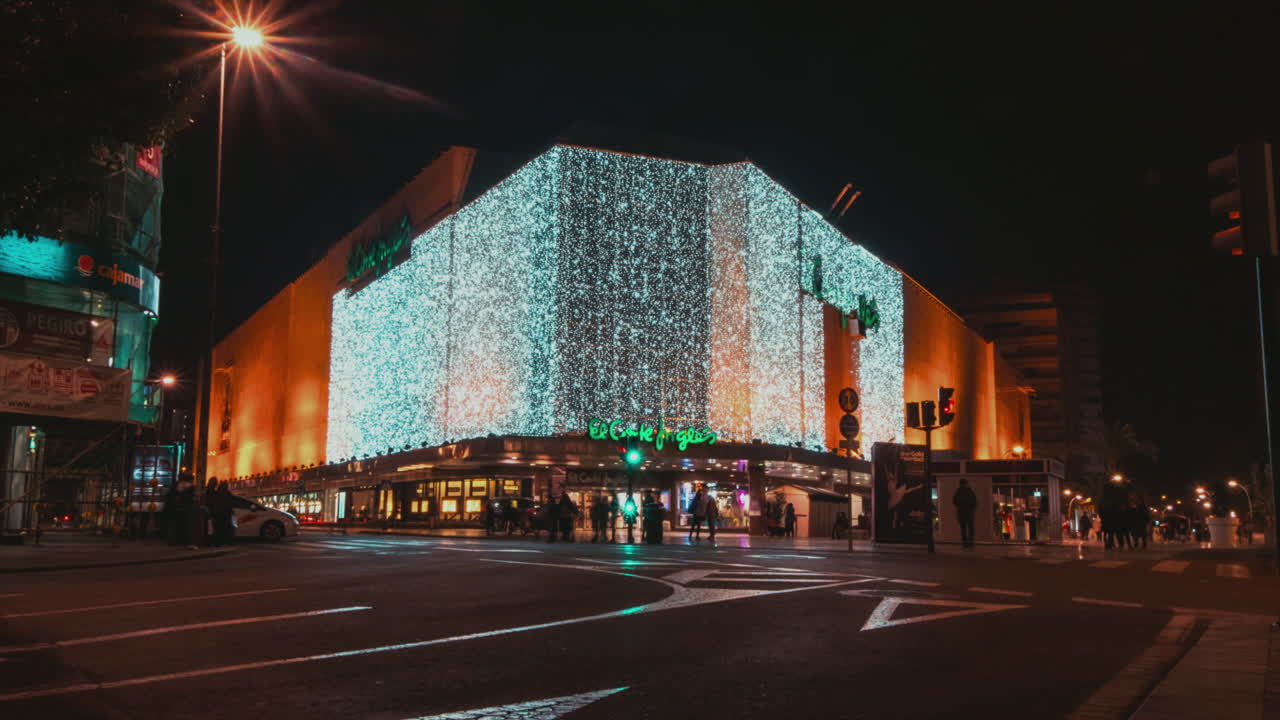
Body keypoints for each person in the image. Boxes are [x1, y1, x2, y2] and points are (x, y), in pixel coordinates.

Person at [952, 478, 977, 548]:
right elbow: (974, 502)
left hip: (961, 513)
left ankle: (965, 543)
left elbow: (954, 501)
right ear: (966, 483)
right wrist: (972, 508)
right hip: (969, 513)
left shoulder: (958, 491)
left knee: (963, 528)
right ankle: (971, 542)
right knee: (970, 528)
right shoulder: (969, 491)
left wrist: (960, 506)